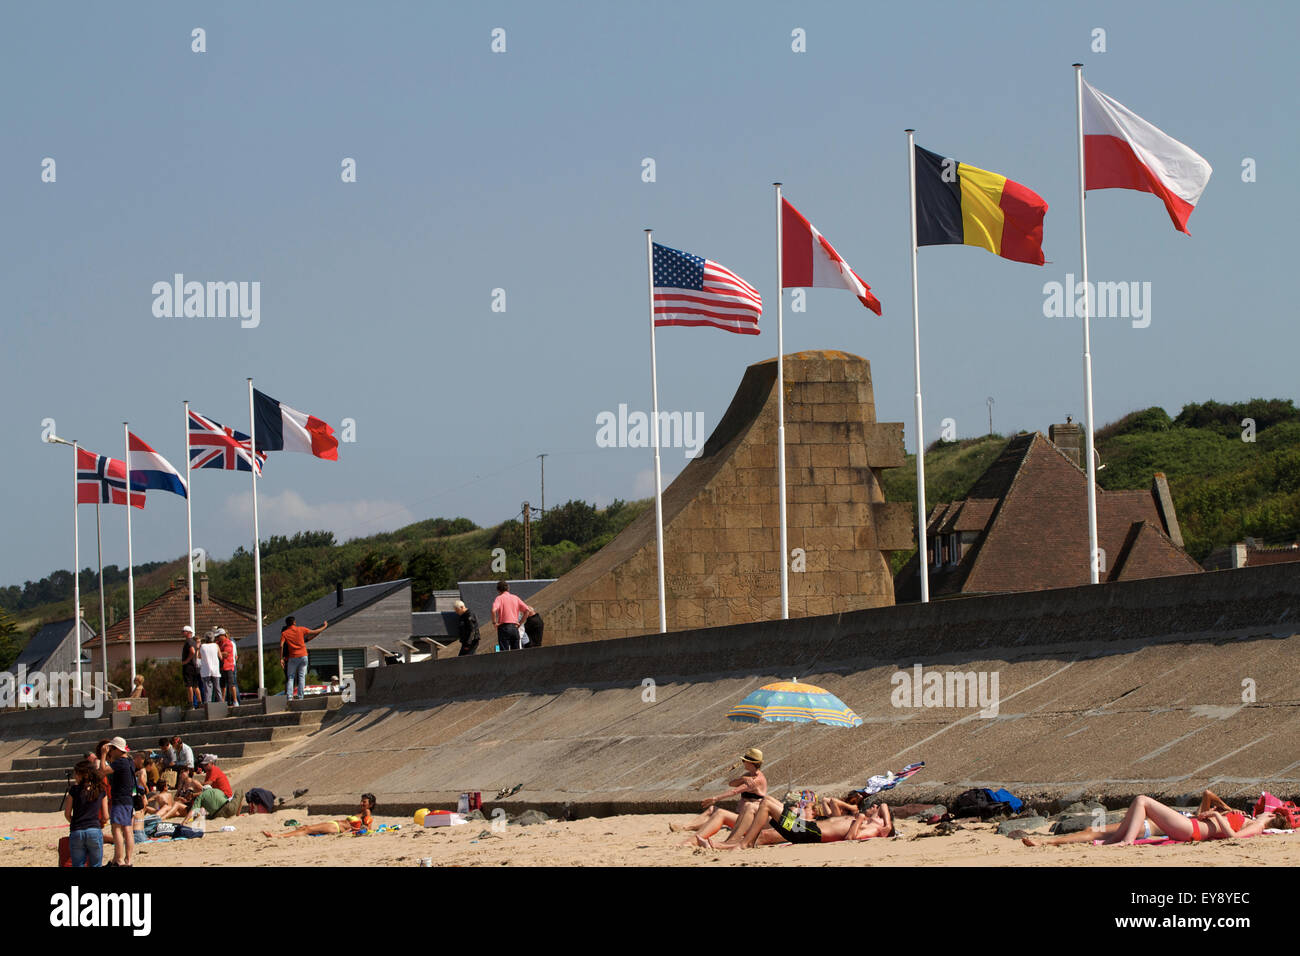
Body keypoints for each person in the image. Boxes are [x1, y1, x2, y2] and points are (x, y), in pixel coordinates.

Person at [699, 796, 894, 849]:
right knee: (768, 801)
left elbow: (851, 838)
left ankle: (743, 844)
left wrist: (860, 820)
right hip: (806, 828)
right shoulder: (870, 821)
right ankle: (730, 844)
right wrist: (863, 818)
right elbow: (884, 806)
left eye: (873, 807)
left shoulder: (875, 828)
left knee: (766, 803)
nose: (873, 806)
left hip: (808, 832)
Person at [683, 748, 768, 847]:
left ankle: (691, 838)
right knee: (711, 809)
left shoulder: (757, 780)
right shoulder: (749, 776)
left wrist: (715, 798)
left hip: (749, 821)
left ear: (750, 763)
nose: (743, 763)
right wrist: (743, 778)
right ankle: (686, 827)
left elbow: (735, 791)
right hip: (741, 816)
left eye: (744, 761)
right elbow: (732, 784)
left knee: (719, 813)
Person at [264, 794, 376, 838]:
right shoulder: (360, 812)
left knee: (307, 829)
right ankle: (280, 835)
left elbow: (367, 829)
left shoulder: (367, 812)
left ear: (370, 804)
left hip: (336, 827)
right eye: (361, 801)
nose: (362, 803)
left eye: (364, 802)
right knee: (305, 827)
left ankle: (279, 836)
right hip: (335, 824)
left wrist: (353, 829)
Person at [64, 759, 108, 867]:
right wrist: (101, 823)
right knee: (96, 864)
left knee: (78, 864)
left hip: (77, 830)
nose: (74, 776)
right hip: (93, 829)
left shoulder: (74, 790)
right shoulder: (100, 790)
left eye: (76, 773)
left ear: (83, 775)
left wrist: (74, 821)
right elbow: (106, 816)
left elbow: (67, 813)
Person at [280, 616, 328, 701]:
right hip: (303, 655)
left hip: (293, 657)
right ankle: (301, 696)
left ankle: (290, 697)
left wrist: (281, 658)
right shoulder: (301, 629)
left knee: (291, 677)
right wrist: (324, 627)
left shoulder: (285, 633)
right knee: (301, 676)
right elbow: (313, 632)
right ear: (294, 622)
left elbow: (281, 645)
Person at [105, 737, 135, 866]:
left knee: (116, 829)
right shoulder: (129, 761)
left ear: (117, 749)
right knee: (128, 830)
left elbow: (103, 771)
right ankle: (127, 860)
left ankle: (120, 860)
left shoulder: (121, 762)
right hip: (129, 799)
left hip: (120, 799)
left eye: (112, 748)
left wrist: (102, 755)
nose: (110, 751)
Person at [490, 581, 533, 651]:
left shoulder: (499, 598)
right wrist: (520, 623)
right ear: (508, 589)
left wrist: (494, 623)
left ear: (498, 590)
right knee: (515, 653)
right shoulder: (515, 598)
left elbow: (493, 610)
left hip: (504, 627)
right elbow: (527, 610)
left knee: (505, 652)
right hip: (514, 627)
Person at [180, 625, 201, 708]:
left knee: (189, 686)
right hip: (194, 667)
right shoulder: (193, 642)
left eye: (183, 631)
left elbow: (192, 651)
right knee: (196, 686)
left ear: (188, 632)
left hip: (188, 667)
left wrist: (186, 661)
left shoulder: (188, 641)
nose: (182, 633)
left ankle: (191, 703)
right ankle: (200, 702)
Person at [216, 628, 238, 707]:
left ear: (223, 635)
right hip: (221, 668)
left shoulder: (228, 643)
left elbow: (226, 654)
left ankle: (235, 700)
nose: (217, 638)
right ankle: (222, 701)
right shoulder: (218, 643)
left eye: (218, 636)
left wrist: (217, 653)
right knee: (222, 686)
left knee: (231, 685)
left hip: (228, 667)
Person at [198, 634, 222, 703]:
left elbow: (199, 656)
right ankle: (220, 702)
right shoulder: (216, 645)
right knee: (217, 688)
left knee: (207, 689)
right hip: (215, 670)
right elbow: (220, 656)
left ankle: (208, 704)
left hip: (206, 670)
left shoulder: (202, 646)